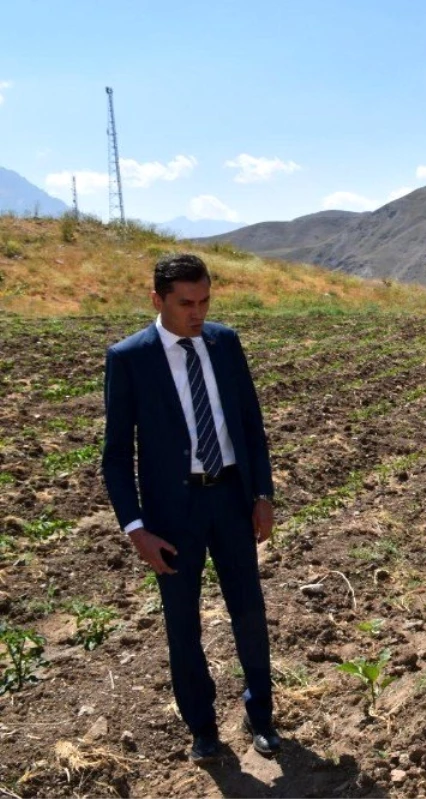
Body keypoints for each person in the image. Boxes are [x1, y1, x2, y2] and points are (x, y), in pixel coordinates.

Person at [102, 253, 281, 763]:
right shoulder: (130, 358)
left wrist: (262, 494)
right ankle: (202, 728)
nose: (197, 314)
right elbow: (115, 456)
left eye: (204, 301)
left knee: (248, 611)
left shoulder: (225, 343)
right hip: (172, 514)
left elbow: (251, 425)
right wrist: (136, 528)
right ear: (157, 299)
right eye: (186, 304)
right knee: (183, 624)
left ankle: (261, 716)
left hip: (230, 498)